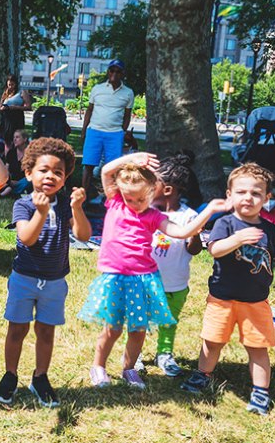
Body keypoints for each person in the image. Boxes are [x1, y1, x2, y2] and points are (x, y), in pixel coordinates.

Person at [79, 153, 226, 390]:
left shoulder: (153, 216)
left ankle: (128, 368)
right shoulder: (115, 203)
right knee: (113, 328)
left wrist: (208, 211)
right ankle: (98, 366)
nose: (135, 204)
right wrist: (133, 158)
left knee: (138, 330)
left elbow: (182, 231)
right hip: (116, 278)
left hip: (143, 280)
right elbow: (107, 170)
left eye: (141, 199)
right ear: (121, 193)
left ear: (152, 192)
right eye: (130, 199)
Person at [181, 163, 275, 415]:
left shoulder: (270, 231)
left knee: (258, 348)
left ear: (267, 199)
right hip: (221, 299)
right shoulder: (225, 223)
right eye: (241, 192)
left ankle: (260, 391)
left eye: (256, 193)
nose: (248, 197)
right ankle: (203, 373)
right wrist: (236, 240)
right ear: (229, 195)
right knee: (212, 341)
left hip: (256, 302)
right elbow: (214, 250)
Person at [0, 138, 90, 408]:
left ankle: (40, 377)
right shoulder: (23, 205)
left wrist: (77, 209)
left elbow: (83, 235)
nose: (50, 176)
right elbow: (27, 237)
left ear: (65, 177)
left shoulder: (63, 204)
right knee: (17, 330)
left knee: (46, 332)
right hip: (24, 279)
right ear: (28, 173)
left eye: (58, 172)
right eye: (43, 170)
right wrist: (41, 212)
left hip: (56, 281)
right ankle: (10, 375)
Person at [145, 153, 203, 377]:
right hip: (146, 280)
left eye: (152, 185)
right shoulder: (147, 212)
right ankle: (135, 355)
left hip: (176, 284)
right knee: (141, 320)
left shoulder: (189, 216)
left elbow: (194, 250)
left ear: (167, 189)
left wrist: (195, 235)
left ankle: (164, 353)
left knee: (169, 321)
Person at [80, 59, 135, 197]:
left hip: (115, 134)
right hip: (94, 131)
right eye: (112, 70)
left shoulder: (128, 93)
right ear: (108, 72)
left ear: (123, 74)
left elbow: (127, 115)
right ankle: (83, 197)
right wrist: (84, 131)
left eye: (118, 71)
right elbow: (89, 110)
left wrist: (122, 131)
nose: (114, 74)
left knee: (114, 168)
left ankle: (110, 199)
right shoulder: (97, 89)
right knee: (88, 165)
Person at [0, 73, 32, 144]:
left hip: (17, 117)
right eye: (9, 85)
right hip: (7, 119)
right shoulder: (5, 94)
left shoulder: (22, 92)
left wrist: (15, 107)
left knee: (17, 138)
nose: (10, 87)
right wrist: (3, 108)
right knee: (7, 139)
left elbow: (28, 107)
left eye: (12, 84)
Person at [3, 129, 30, 196]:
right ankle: (10, 190)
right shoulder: (11, 152)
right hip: (11, 181)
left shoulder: (30, 153)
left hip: (24, 181)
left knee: (28, 181)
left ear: (25, 139)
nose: (14, 139)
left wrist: (17, 183)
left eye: (17, 137)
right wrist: (9, 180)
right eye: (14, 137)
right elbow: (6, 168)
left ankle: (10, 191)